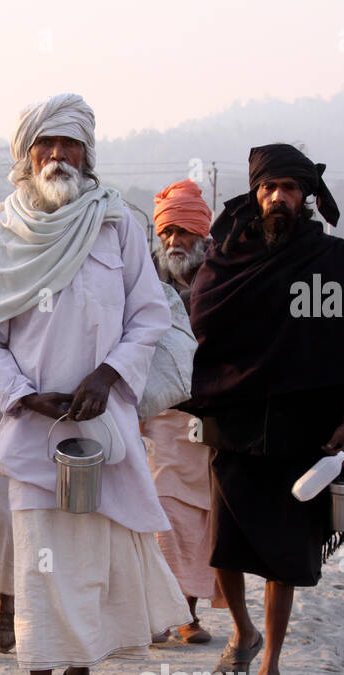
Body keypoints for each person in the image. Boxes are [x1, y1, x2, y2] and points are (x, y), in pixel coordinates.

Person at [0, 93, 190, 675]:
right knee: (40, 572)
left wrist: (107, 377)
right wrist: (26, 396)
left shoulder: (115, 222)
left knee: (94, 569)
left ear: (89, 155)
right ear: (26, 155)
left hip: (104, 430)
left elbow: (150, 314)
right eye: (46, 145)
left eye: (70, 145)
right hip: (35, 438)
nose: (58, 156)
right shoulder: (1, 229)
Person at [181, 143, 344, 675]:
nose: (279, 197)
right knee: (224, 548)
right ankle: (242, 632)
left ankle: (270, 669)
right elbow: (201, 322)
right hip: (235, 418)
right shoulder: (228, 255)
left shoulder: (332, 260)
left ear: (307, 197)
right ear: (257, 192)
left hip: (307, 428)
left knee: (287, 554)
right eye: (270, 187)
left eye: (291, 189)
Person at [144, 178, 224, 644]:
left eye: (183, 233)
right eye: (167, 233)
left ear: (203, 236)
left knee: (201, 521)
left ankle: (186, 614)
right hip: (161, 419)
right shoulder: (148, 286)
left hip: (211, 421)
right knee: (164, 514)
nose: (174, 242)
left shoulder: (224, 282)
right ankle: (163, 613)